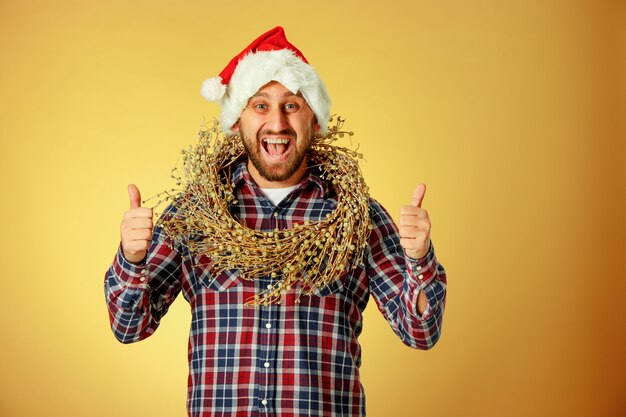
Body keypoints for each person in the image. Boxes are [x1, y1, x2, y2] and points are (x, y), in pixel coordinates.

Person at [105, 26, 447, 417]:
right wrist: (132, 260)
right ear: (237, 121)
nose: (278, 124)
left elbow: (420, 332)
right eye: (260, 105)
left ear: (314, 119)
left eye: (292, 105)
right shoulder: (194, 213)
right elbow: (128, 327)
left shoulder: (357, 217)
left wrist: (419, 259)